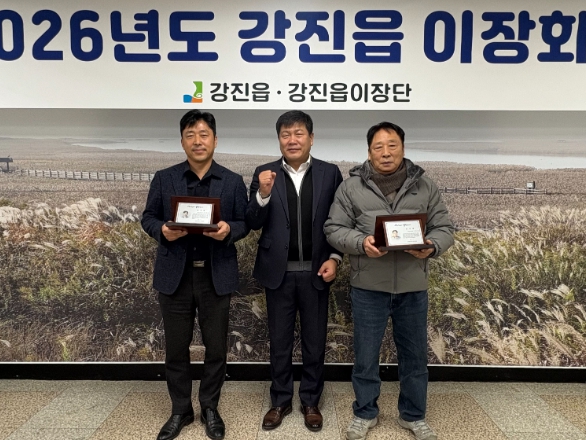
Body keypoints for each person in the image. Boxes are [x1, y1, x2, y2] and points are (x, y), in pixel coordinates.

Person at [324, 122, 454, 440]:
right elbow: (333, 229)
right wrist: (361, 243)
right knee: (366, 356)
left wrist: (431, 246)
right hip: (368, 287)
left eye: (392, 145)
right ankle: (364, 412)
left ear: (403, 148)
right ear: (369, 152)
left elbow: (444, 228)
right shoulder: (351, 188)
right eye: (378, 147)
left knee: (414, 357)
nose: (386, 152)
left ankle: (413, 415)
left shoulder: (425, 186)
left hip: (413, 287)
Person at [141, 110, 250, 440]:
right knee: (176, 348)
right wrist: (162, 230)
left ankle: (210, 407)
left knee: (216, 347)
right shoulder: (165, 178)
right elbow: (148, 217)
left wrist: (230, 230)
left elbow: (244, 222)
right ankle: (180, 410)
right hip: (175, 276)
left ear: (215, 140)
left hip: (215, 276)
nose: (198, 141)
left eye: (204, 135)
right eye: (191, 135)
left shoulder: (232, 181)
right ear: (182, 141)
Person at [246, 110, 344, 432]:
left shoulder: (330, 173)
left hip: (317, 272)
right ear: (279, 140)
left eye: (299, 133)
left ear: (311, 138)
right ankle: (280, 400)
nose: (292, 140)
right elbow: (252, 221)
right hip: (279, 273)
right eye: (285, 134)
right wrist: (262, 195)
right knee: (280, 341)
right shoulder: (264, 173)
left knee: (315, 342)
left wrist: (335, 257)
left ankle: (311, 401)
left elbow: (339, 221)